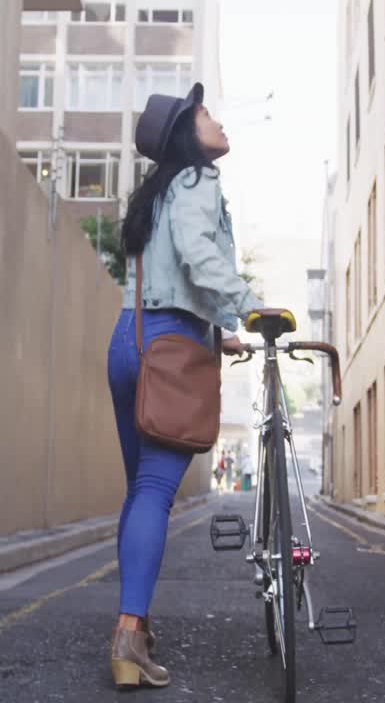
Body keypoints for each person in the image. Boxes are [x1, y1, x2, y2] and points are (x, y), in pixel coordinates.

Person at [105, 82, 263, 689]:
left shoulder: (157, 193)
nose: (217, 119)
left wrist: (215, 329)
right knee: (153, 492)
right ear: (186, 136)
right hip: (169, 351)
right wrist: (247, 307)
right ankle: (127, 634)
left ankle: (134, 632)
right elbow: (198, 255)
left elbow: (166, 277)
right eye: (205, 113)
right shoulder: (199, 183)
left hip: (128, 341)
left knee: (138, 493)